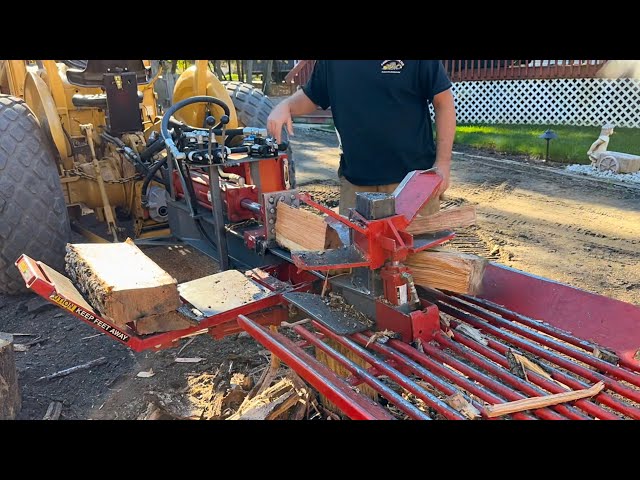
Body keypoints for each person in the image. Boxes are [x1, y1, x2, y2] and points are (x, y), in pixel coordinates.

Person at [267, 60, 456, 216]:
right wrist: (286, 105)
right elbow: (312, 96)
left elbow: (443, 102)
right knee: (356, 258)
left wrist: (443, 163)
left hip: (413, 184)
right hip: (355, 186)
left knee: (420, 258)